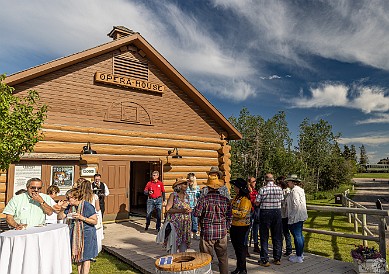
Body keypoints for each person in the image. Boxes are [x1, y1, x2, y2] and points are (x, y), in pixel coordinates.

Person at [194, 172, 232, 274]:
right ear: (218, 187)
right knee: (223, 258)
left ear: (208, 187)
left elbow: (196, 213)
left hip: (207, 233)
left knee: (206, 259)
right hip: (221, 233)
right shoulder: (225, 200)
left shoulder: (203, 200)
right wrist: (226, 227)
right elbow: (229, 216)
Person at [58, 188, 98, 274]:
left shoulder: (87, 206)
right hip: (75, 233)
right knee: (78, 256)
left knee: (86, 257)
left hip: (87, 234)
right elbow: (60, 217)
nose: (67, 200)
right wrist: (62, 209)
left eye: (69, 198)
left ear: (76, 198)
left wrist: (81, 217)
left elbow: (95, 221)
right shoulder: (69, 206)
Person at [255, 173, 284, 267]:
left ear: (265, 180)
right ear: (273, 180)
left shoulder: (262, 189)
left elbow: (257, 203)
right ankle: (277, 258)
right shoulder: (279, 189)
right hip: (277, 212)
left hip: (265, 212)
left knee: (264, 236)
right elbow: (282, 200)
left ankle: (264, 259)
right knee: (277, 235)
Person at [163, 177, 192, 253]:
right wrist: (180, 211)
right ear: (179, 185)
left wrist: (189, 210)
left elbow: (188, 206)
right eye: (184, 183)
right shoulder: (173, 195)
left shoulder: (187, 196)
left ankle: (181, 261)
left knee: (183, 246)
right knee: (173, 245)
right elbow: (168, 209)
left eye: (187, 184)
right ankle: (172, 261)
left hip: (185, 224)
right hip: (175, 224)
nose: (187, 185)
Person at [230, 178, 251, 274]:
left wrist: (231, 212)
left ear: (240, 188)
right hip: (234, 225)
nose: (234, 188)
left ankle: (243, 269)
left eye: (235, 186)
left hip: (242, 227)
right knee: (236, 248)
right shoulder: (236, 198)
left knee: (241, 248)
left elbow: (242, 213)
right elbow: (231, 205)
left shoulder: (245, 200)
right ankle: (239, 268)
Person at [285, 174, 308, 263]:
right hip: (301, 215)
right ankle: (300, 253)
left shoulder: (294, 191)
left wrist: (291, 216)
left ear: (293, 182)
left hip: (296, 216)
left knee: (297, 236)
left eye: (289, 182)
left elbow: (296, 204)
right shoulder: (300, 190)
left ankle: (298, 256)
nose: (287, 183)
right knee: (300, 235)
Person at [79, 179, 104, 254]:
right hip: (92, 216)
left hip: (82, 215)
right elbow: (97, 208)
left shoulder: (80, 196)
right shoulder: (94, 196)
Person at [276, 176, 293, 257]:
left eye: (279, 183)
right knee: (280, 233)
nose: (277, 184)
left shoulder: (287, 192)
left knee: (286, 232)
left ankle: (288, 249)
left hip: (285, 215)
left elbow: (284, 203)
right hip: (280, 215)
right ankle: (280, 248)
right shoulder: (281, 191)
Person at [245, 176, 260, 255]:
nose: (255, 183)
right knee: (247, 230)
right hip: (249, 212)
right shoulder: (247, 192)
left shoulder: (255, 191)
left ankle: (256, 246)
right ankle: (245, 248)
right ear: (250, 183)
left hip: (255, 212)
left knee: (255, 229)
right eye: (253, 181)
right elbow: (251, 201)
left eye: (255, 181)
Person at [186, 172, 201, 239]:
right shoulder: (186, 188)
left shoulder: (197, 188)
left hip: (194, 207)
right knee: (187, 221)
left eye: (191, 180)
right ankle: (187, 234)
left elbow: (199, 197)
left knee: (194, 221)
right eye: (189, 180)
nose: (190, 182)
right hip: (187, 207)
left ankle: (194, 234)